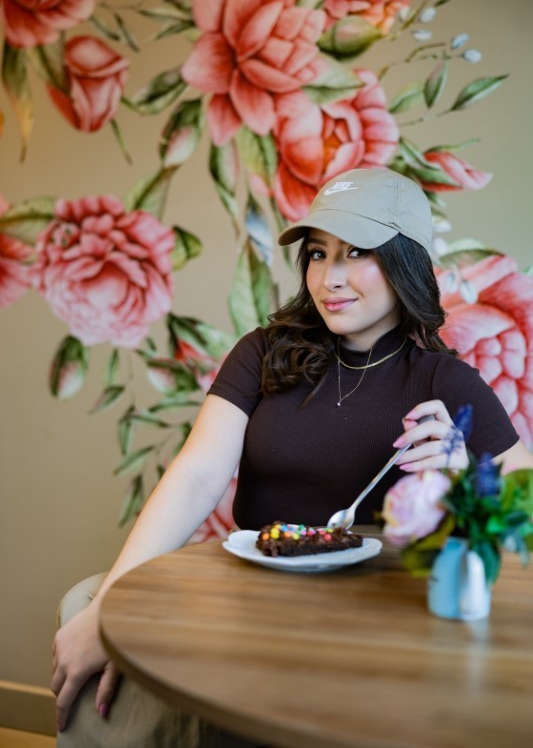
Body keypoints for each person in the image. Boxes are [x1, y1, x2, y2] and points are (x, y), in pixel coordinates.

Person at [52, 167, 533, 745]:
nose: (330, 277)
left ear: (404, 262)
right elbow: (197, 474)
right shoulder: (262, 353)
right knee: (85, 603)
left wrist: (465, 476)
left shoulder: (445, 383)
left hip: (374, 609)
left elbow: (524, 507)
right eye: (318, 253)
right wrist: (108, 607)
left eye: (357, 252)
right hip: (253, 587)